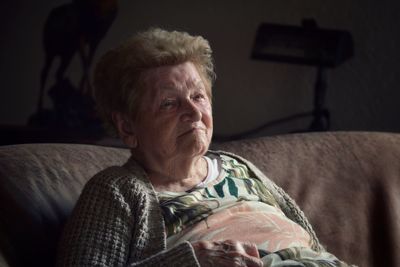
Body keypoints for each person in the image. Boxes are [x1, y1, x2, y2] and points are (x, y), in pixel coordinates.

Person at [57, 28, 354, 267]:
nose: (194, 113)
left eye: (198, 96)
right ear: (127, 127)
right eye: (169, 103)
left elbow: (312, 248)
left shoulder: (239, 168)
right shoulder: (116, 190)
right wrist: (190, 261)